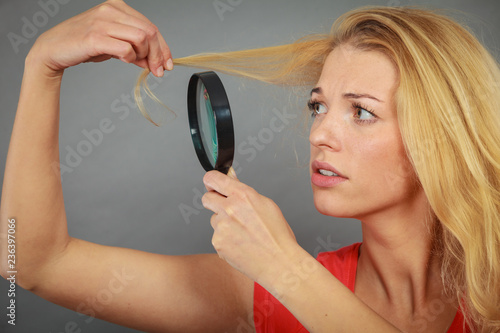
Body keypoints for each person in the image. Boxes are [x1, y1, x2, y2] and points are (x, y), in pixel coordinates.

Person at [1, 0, 499, 332]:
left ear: (442, 135)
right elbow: (29, 261)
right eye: (318, 106)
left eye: (362, 111)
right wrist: (41, 65)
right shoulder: (255, 291)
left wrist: (284, 266)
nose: (319, 133)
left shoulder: (492, 288)